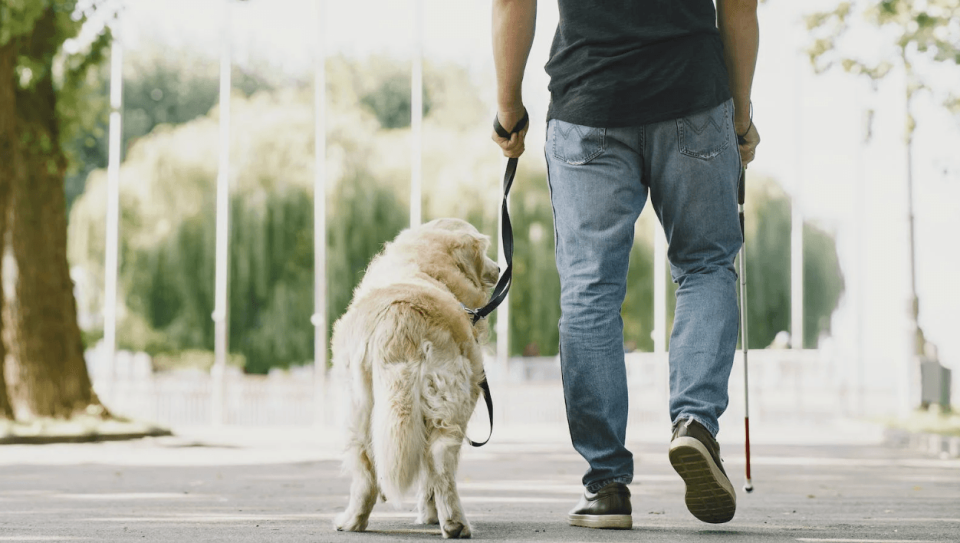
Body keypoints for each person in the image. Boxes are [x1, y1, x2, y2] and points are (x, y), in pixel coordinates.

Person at [491, 0, 761, 528]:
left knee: (590, 291)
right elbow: (740, 8)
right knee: (706, 266)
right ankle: (694, 422)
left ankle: (607, 484)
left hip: (588, 103)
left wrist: (508, 110)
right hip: (693, 98)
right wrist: (742, 114)